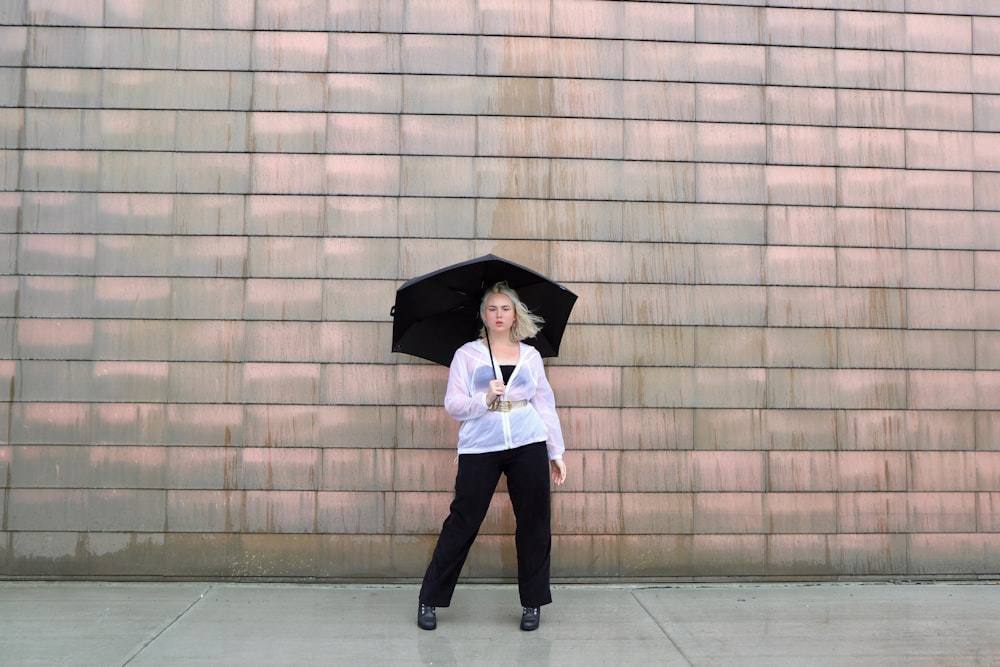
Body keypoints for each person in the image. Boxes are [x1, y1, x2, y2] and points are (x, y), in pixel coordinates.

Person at [417, 282, 567, 632]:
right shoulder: (466, 355)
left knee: (534, 523)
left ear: (515, 314)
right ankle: (430, 598)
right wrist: (483, 399)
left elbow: (544, 404)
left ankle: (533, 603)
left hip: (528, 442)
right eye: (491, 309)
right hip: (480, 446)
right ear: (482, 315)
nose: (498, 315)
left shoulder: (529, 356)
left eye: (505, 309)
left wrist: (555, 451)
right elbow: (453, 405)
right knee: (463, 521)